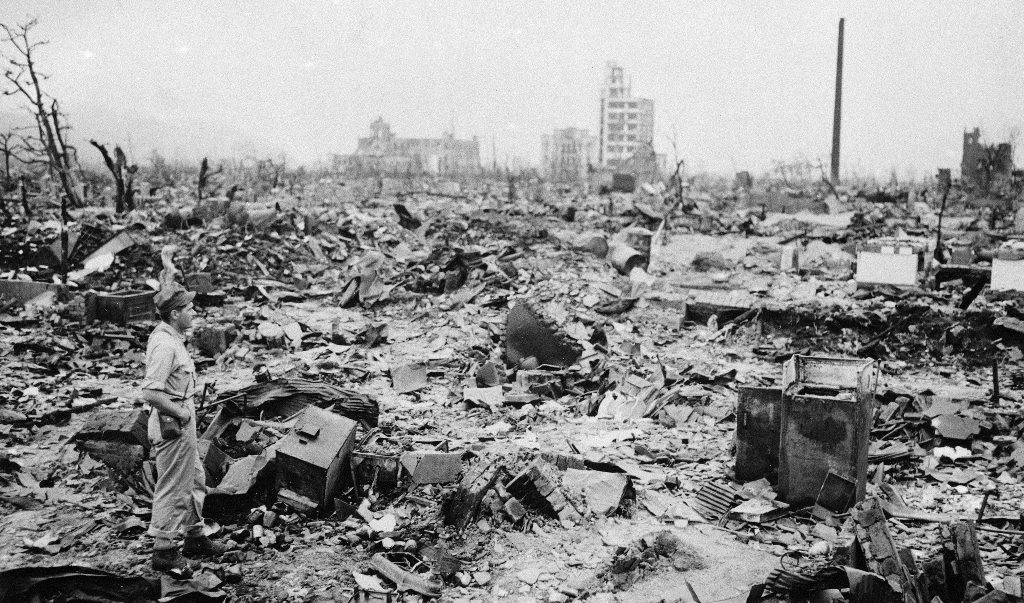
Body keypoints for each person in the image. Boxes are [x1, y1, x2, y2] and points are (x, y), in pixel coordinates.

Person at [141, 284, 226, 572]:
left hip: (181, 417)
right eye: (189, 308)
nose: (194, 312)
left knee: (194, 478)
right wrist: (181, 413)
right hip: (173, 423)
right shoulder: (165, 345)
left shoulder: (172, 337)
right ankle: (164, 549)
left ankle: (194, 536)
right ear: (175, 314)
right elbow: (151, 392)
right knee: (175, 484)